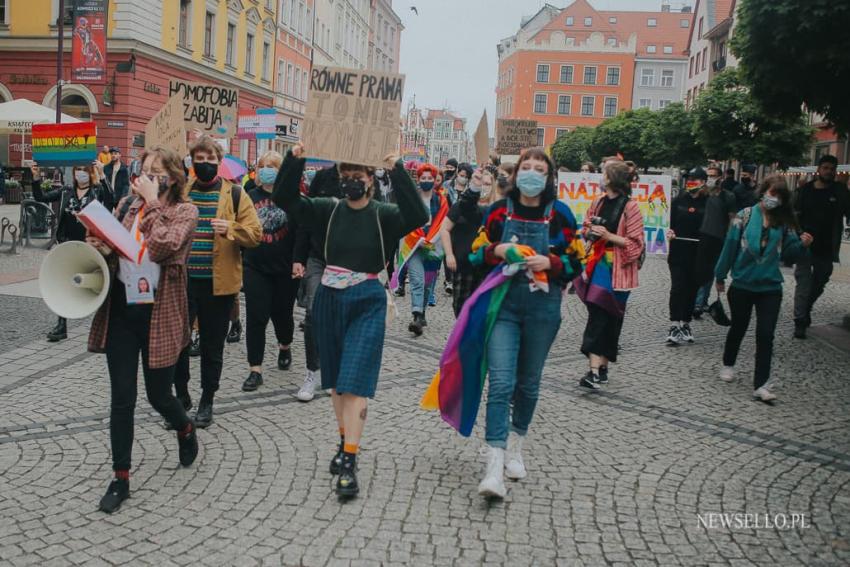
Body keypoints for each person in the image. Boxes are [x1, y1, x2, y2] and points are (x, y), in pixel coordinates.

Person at [273, 143, 428, 499]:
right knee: (338, 383)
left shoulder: (384, 215)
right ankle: (344, 443)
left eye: (357, 177)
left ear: (370, 180)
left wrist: (398, 170)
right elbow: (286, 199)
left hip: (367, 301)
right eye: (346, 177)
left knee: (355, 381)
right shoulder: (327, 210)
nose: (350, 183)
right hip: (329, 298)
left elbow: (418, 215)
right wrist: (295, 158)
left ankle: (350, 461)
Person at [86, 146, 200, 513]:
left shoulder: (185, 211)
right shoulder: (125, 207)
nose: (146, 177)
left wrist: (152, 205)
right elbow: (119, 251)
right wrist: (100, 246)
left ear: (173, 178)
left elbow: (167, 246)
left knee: (158, 395)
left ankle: (184, 428)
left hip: (159, 313)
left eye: (155, 171)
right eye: (144, 170)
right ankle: (121, 478)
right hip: (122, 311)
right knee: (122, 399)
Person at [475, 148, 581, 498]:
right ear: (516, 173)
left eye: (540, 168)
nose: (532, 173)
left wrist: (548, 261)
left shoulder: (561, 215)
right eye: (527, 167)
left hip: (542, 307)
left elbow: (577, 261)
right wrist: (498, 251)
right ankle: (493, 464)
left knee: (528, 383)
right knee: (501, 382)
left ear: (549, 177)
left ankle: (516, 443)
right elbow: (475, 252)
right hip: (504, 304)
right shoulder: (497, 212)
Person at [172, 136, 262, 428]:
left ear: (219, 162)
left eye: (211, 159)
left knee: (212, 346)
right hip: (182, 283)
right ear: (192, 161)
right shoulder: (181, 192)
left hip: (218, 286)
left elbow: (255, 234)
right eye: (200, 159)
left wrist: (232, 228)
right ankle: (182, 397)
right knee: (178, 345)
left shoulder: (235, 194)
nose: (206, 164)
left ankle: (207, 399)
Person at [715, 176, 813, 403]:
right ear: (763, 192)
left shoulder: (784, 223)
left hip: (770, 287)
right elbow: (730, 246)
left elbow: (789, 254)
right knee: (739, 326)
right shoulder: (744, 216)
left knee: (766, 334)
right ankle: (728, 363)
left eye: (779, 196)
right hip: (742, 284)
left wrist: (803, 245)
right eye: (772, 193)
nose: (774, 199)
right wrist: (720, 275)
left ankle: (761, 384)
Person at [575, 160, 645, 389]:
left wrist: (609, 236)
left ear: (612, 178)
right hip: (597, 267)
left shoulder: (630, 207)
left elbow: (636, 243)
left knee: (613, 319)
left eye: (603, 173)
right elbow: (585, 226)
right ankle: (593, 371)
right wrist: (589, 230)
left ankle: (602, 368)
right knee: (597, 314)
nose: (599, 177)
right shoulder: (598, 202)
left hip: (619, 271)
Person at [32, 161, 113, 341]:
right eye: (78, 170)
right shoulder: (65, 192)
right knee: (66, 281)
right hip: (68, 243)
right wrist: (36, 177)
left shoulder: (97, 190)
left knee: (98, 283)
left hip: (90, 244)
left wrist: (103, 175)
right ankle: (61, 324)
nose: (81, 173)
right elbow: (40, 197)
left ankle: (105, 326)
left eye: (85, 170)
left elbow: (110, 202)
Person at [241, 151, 299, 392]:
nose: (266, 170)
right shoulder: (248, 196)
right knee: (256, 316)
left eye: (272, 166)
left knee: (282, 315)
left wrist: (299, 260)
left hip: (285, 268)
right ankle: (255, 368)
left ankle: (285, 345)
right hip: (255, 265)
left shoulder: (291, 197)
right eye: (263, 166)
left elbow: (300, 232)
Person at [292, 163, 345, 402]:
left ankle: (332, 372)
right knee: (313, 314)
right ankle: (311, 373)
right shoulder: (322, 177)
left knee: (338, 317)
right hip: (317, 257)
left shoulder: (363, 178)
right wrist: (298, 258)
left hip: (347, 261)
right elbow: (306, 218)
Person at [792, 155, 850, 338]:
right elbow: (794, 215)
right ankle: (800, 321)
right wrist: (798, 234)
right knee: (803, 283)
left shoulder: (839, 191)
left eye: (832, 169)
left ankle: (806, 307)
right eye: (825, 168)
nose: (829, 172)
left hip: (826, 246)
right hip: (804, 244)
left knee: (820, 282)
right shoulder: (805, 190)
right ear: (818, 170)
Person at [399, 163, 449, 336]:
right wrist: (417, 238)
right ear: (418, 179)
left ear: (435, 180)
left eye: (430, 178)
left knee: (428, 284)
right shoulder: (413, 198)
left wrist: (431, 240)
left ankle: (423, 310)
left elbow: (443, 222)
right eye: (423, 178)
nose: (427, 181)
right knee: (417, 280)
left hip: (433, 247)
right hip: (414, 245)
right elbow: (405, 220)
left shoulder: (441, 200)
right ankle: (416, 315)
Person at [665, 167, 709, 345]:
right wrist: (670, 232)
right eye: (689, 179)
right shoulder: (678, 201)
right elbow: (669, 223)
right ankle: (674, 323)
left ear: (703, 182)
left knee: (692, 289)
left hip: (698, 254)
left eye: (695, 179)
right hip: (678, 252)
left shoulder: (709, 203)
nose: (691, 182)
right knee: (677, 287)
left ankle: (686, 323)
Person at [441, 168, 490, 317]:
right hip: (462, 263)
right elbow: (445, 229)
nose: (484, 186)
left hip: (485, 266)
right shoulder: (462, 205)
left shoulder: (496, 209)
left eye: (488, 184)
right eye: (481, 183)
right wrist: (449, 254)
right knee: (460, 307)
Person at [694, 165, 737, 317]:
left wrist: (731, 238)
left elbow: (732, 219)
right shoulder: (702, 194)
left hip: (718, 238)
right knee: (699, 269)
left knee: (709, 271)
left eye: (713, 176)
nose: (711, 179)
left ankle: (700, 302)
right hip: (700, 236)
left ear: (720, 178)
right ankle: (698, 302)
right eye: (709, 176)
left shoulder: (728, 196)